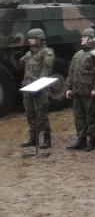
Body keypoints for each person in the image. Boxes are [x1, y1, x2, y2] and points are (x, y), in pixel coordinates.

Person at [65, 28, 95, 152]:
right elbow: (71, 72)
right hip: (77, 91)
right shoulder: (77, 54)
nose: (82, 38)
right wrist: (68, 88)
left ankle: (91, 141)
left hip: (89, 91)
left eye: (85, 36)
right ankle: (81, 139)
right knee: (79, 117)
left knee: (91, 116)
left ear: (91, 39)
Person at [19, 28, 55, 158]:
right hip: (27, 87)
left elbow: (47, 69)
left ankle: (46, 139)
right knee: (30, 113)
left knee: (41, 113)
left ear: (39, 40)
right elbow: (20, 66)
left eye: (32, 38)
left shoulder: (46, 53)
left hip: (39, 89)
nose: (29, 40)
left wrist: (38, 86)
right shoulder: (29, 54)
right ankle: (33, 137)